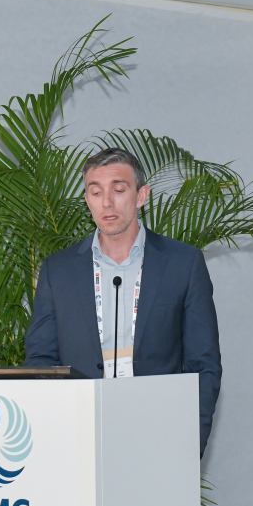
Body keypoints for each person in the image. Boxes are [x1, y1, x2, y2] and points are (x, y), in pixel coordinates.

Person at [24, 147, 222, 456]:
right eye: (96, 192)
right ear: (87, 200)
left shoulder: (183, 264)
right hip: (79, 438)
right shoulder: (58, 270)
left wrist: (188, 444)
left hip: (160, 435)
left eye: (118, 190)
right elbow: (41, 361)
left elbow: (203, 365)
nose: (107, 202)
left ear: (141, 195)